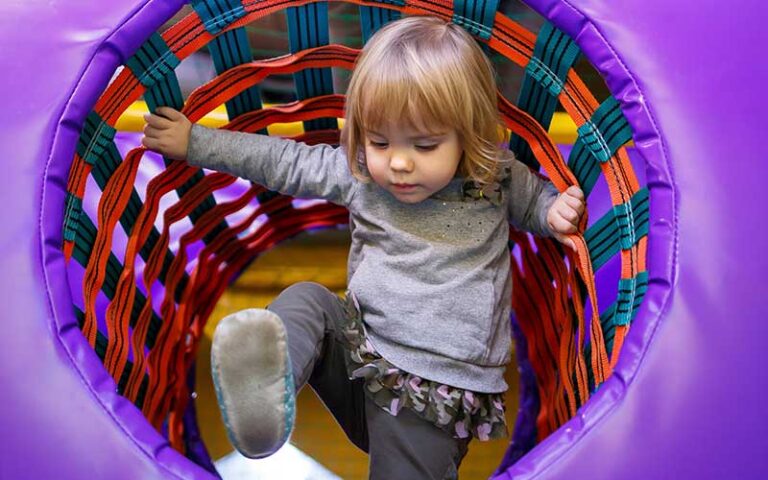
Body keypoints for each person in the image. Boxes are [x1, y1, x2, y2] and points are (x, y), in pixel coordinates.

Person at [142, 15, 585, 480]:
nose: (397, 162)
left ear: (467, 135)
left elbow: (536, 202)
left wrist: (554, 213)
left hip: (433, 400)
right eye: (379, 140)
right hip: (359, 362)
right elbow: (282, 160)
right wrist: (195, 142)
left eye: (425, 145)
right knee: (309, 300)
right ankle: (269, 397)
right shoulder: (361, 176)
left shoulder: (494, 178)